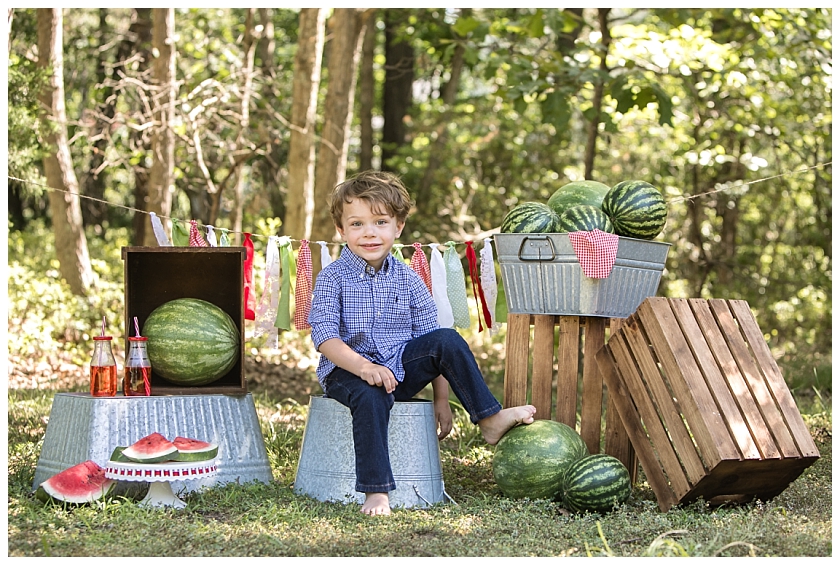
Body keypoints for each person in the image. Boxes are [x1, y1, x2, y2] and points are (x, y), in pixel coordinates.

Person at [307, 170, 537, 516]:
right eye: (356, 224)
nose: (369, 232)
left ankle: (489, 418)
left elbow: (429, 340)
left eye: (380, 222)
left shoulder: (409, 278)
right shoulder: (332, 277)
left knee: (446, 339)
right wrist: (364, 368)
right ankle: (376, 491)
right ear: (341, 230)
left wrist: (440, 399)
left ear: (398, 227)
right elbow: (325, 338)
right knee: (370, 394)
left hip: (399, 369)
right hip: (348, 373)